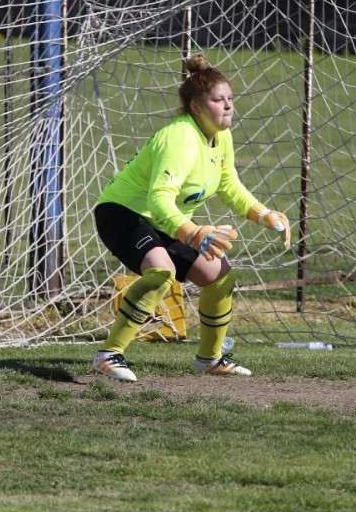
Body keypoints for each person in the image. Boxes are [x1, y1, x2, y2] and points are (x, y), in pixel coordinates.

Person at [92, 53, 292, 382]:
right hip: (122, 213)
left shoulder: (220, 136)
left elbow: (229, 185)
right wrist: (194, 233)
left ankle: (210, 359)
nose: (228, 106)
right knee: (160, 271)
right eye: (218, 100)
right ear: (197, 107)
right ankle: (108, 355)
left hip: (167, 221)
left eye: (230, 98)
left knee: (220, 277)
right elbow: (158, 200)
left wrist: (263, 213)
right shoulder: (180, 138)